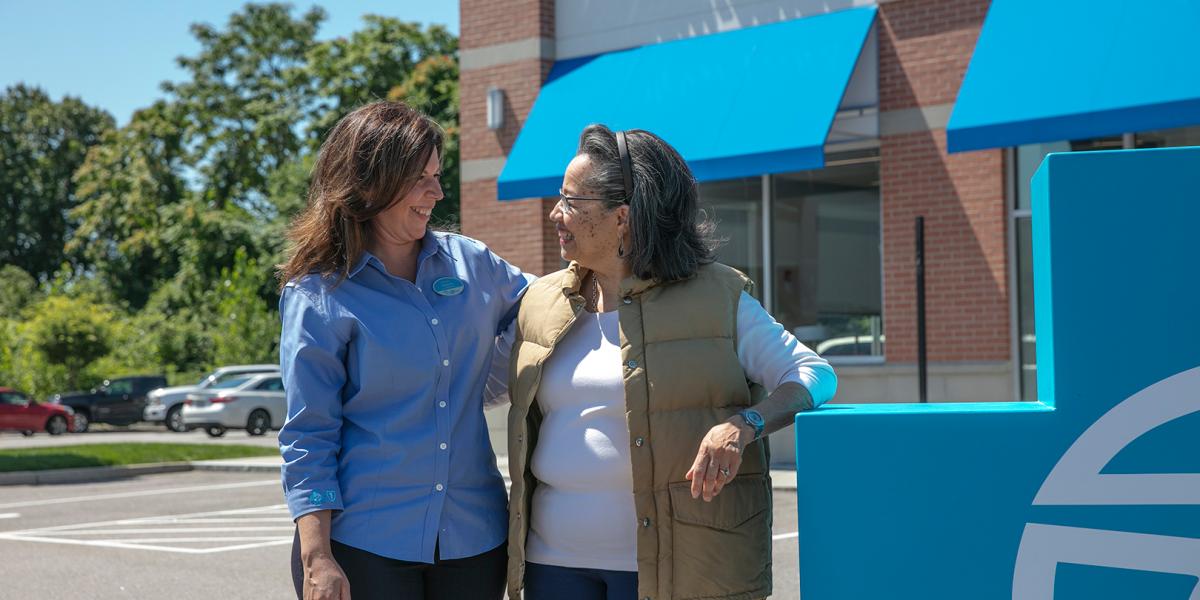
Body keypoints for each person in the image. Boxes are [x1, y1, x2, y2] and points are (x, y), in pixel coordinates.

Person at [504, 125, 837, 600]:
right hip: (551, 563)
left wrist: (745, 424)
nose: (556, 214)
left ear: (622, 217)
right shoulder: (542, 301)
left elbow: (814, 375)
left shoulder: (716, 296)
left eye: (571, 202)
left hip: (669, 571)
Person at [276, 101, 531, 600]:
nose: (436, 192)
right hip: (364, 546)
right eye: (420, 178)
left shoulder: (473, 264)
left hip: (474, 539)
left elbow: (554, 306)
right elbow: (309, 434)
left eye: (437, 176)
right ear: (370, 184)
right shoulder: (319, 296)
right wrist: (317, 557)